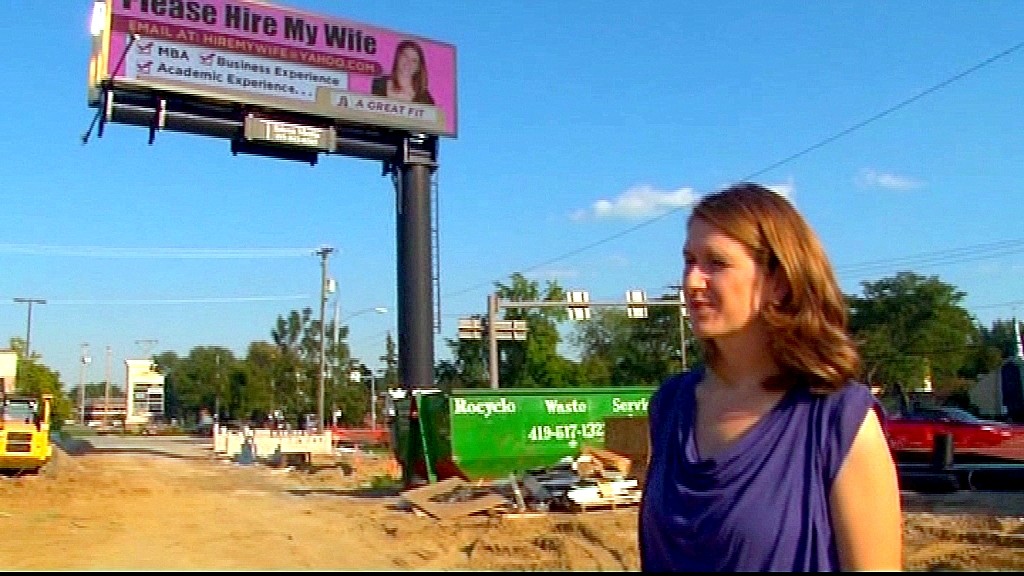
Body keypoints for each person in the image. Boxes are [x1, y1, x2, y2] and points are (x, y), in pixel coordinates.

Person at [639, 182, 902, 571]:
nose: (692, 281)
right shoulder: (670, 406)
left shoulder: (837, 418)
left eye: (716, 263)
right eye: (689, 260)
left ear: (778, 281)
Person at [371, 40, 435, 105]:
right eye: (405, 56)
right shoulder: (378, 84)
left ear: (418, 67)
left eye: (414, 61)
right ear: (398, 57)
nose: (408, 63)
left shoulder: (425, 98)